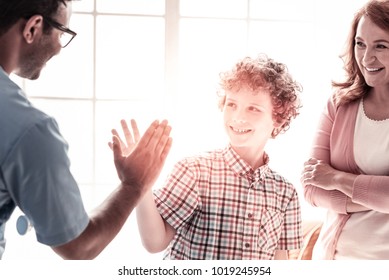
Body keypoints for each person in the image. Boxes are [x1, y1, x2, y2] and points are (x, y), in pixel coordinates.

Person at [0, 0, 172, 260]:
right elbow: (79, 246)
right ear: (33, 28)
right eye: (61, 33)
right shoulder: (30, 130)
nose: (59, 48)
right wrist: (134, 185)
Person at [114, 54, 303, 259]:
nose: (238, 117)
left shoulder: (286, 193)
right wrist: (142, 182)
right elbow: (154, 242)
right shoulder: (195, 171)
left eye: (253, 109)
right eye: (232, 104)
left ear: (279, 117)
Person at [301, 0, 389, 260]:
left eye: (381, 46)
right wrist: (376, 197)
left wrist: (337, 179)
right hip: (337, 259)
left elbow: (324, 181)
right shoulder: (339, 104)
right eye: (360, 44)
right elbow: (311, 187)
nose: (366, 57)